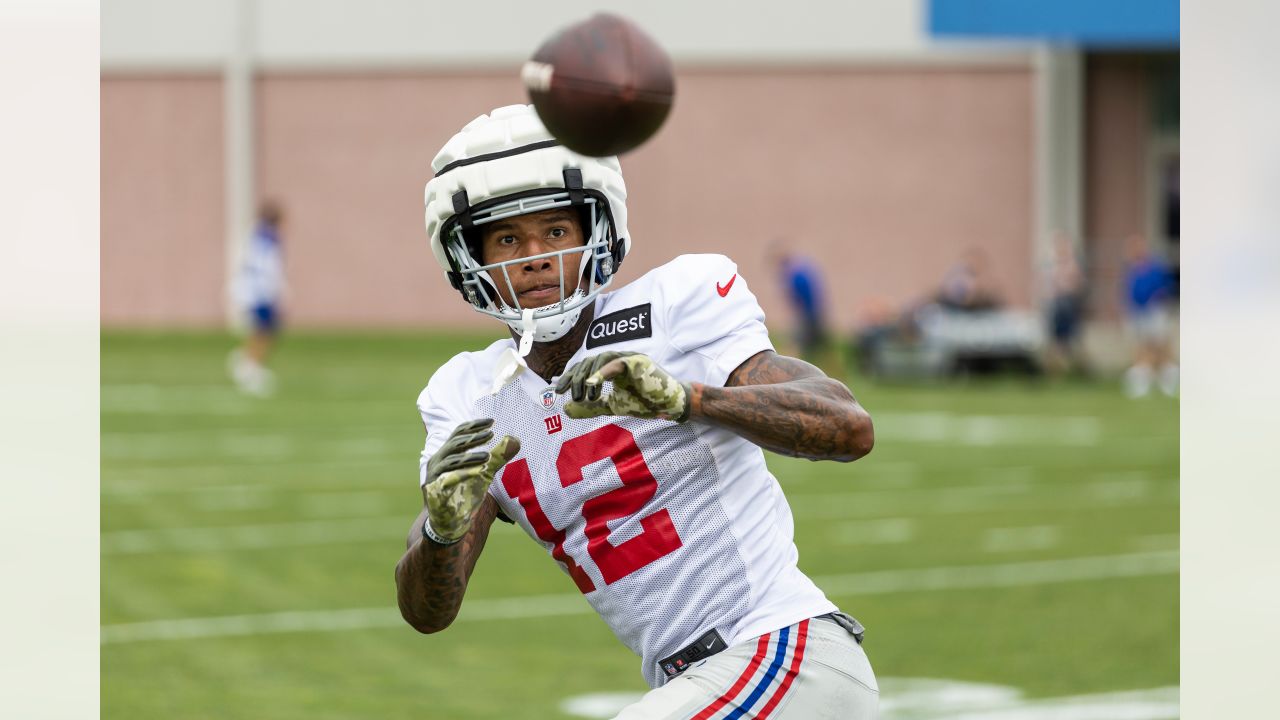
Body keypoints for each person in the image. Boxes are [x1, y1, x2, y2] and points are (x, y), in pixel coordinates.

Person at [395, 105, 879, 719]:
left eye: (556, 231)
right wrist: (442, 527)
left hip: (783, 653)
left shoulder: (676, 305)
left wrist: (688, 400)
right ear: (471, 257)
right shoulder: (468, 392)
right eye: (508, 238)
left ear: (596, 229)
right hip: (704, 682)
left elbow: (848, 426)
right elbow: (427, 612)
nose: (535, 255)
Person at [228, 201, 285, 396]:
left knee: (263, 329)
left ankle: (248, 361)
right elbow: (268, 268)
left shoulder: (257, 235)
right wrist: (274, 291)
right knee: (265, 330)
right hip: (260, 291)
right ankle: (249, 366)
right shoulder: (269, 238)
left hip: (252, 289)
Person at [1121, 233, 1178, 397]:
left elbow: (1166, 286)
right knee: (1140, 347)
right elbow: (1127, 292)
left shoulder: (1156, 266)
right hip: (1136, 312)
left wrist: (1156, 299)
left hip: (1154, 311)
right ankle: (1142, 382)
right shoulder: (1131, 269)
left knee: (1159, 346)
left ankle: (1168, 380)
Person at [771, 245, 834, 369]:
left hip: (807, 316)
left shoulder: (795, 275)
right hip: (814, 314)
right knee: (822, 348)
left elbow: (799, 298)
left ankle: (785, 371)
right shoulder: (802, 270)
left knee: (796, 345)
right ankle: (834, 373)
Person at [1044, 231, 1087, 377]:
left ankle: (1076, 371)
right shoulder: (1051, 266)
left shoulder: (1073, 265)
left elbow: (1078, 285)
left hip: (1069, 303)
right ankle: (1055, 372)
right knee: (1055, 340)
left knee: (1072, 339)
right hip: (1056, 304)